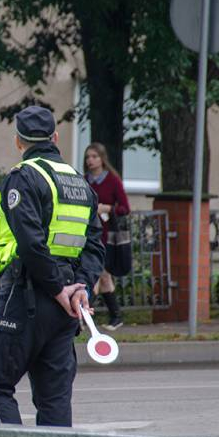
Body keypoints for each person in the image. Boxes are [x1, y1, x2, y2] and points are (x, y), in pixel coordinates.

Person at [0, 106, 105, 427]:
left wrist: (60, 289)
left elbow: (31, 243)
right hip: (65, 310)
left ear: (19, 142)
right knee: (54, 402)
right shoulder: (81, 184)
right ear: (55, 138)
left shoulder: (23, 178)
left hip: (24, 298)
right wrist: (80, 288)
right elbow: (95, 246)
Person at [83, 142, 130, 331]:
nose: (90, 160)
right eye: (88, 157)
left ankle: (87, 317)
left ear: (102, 159)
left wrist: (109, 208)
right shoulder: (84, 180)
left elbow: (125, 208)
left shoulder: (112, 180)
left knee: (98, 276)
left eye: (94, 156)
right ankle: (115, 316)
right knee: (102, 277)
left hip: (107, 235)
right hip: (88, 233)